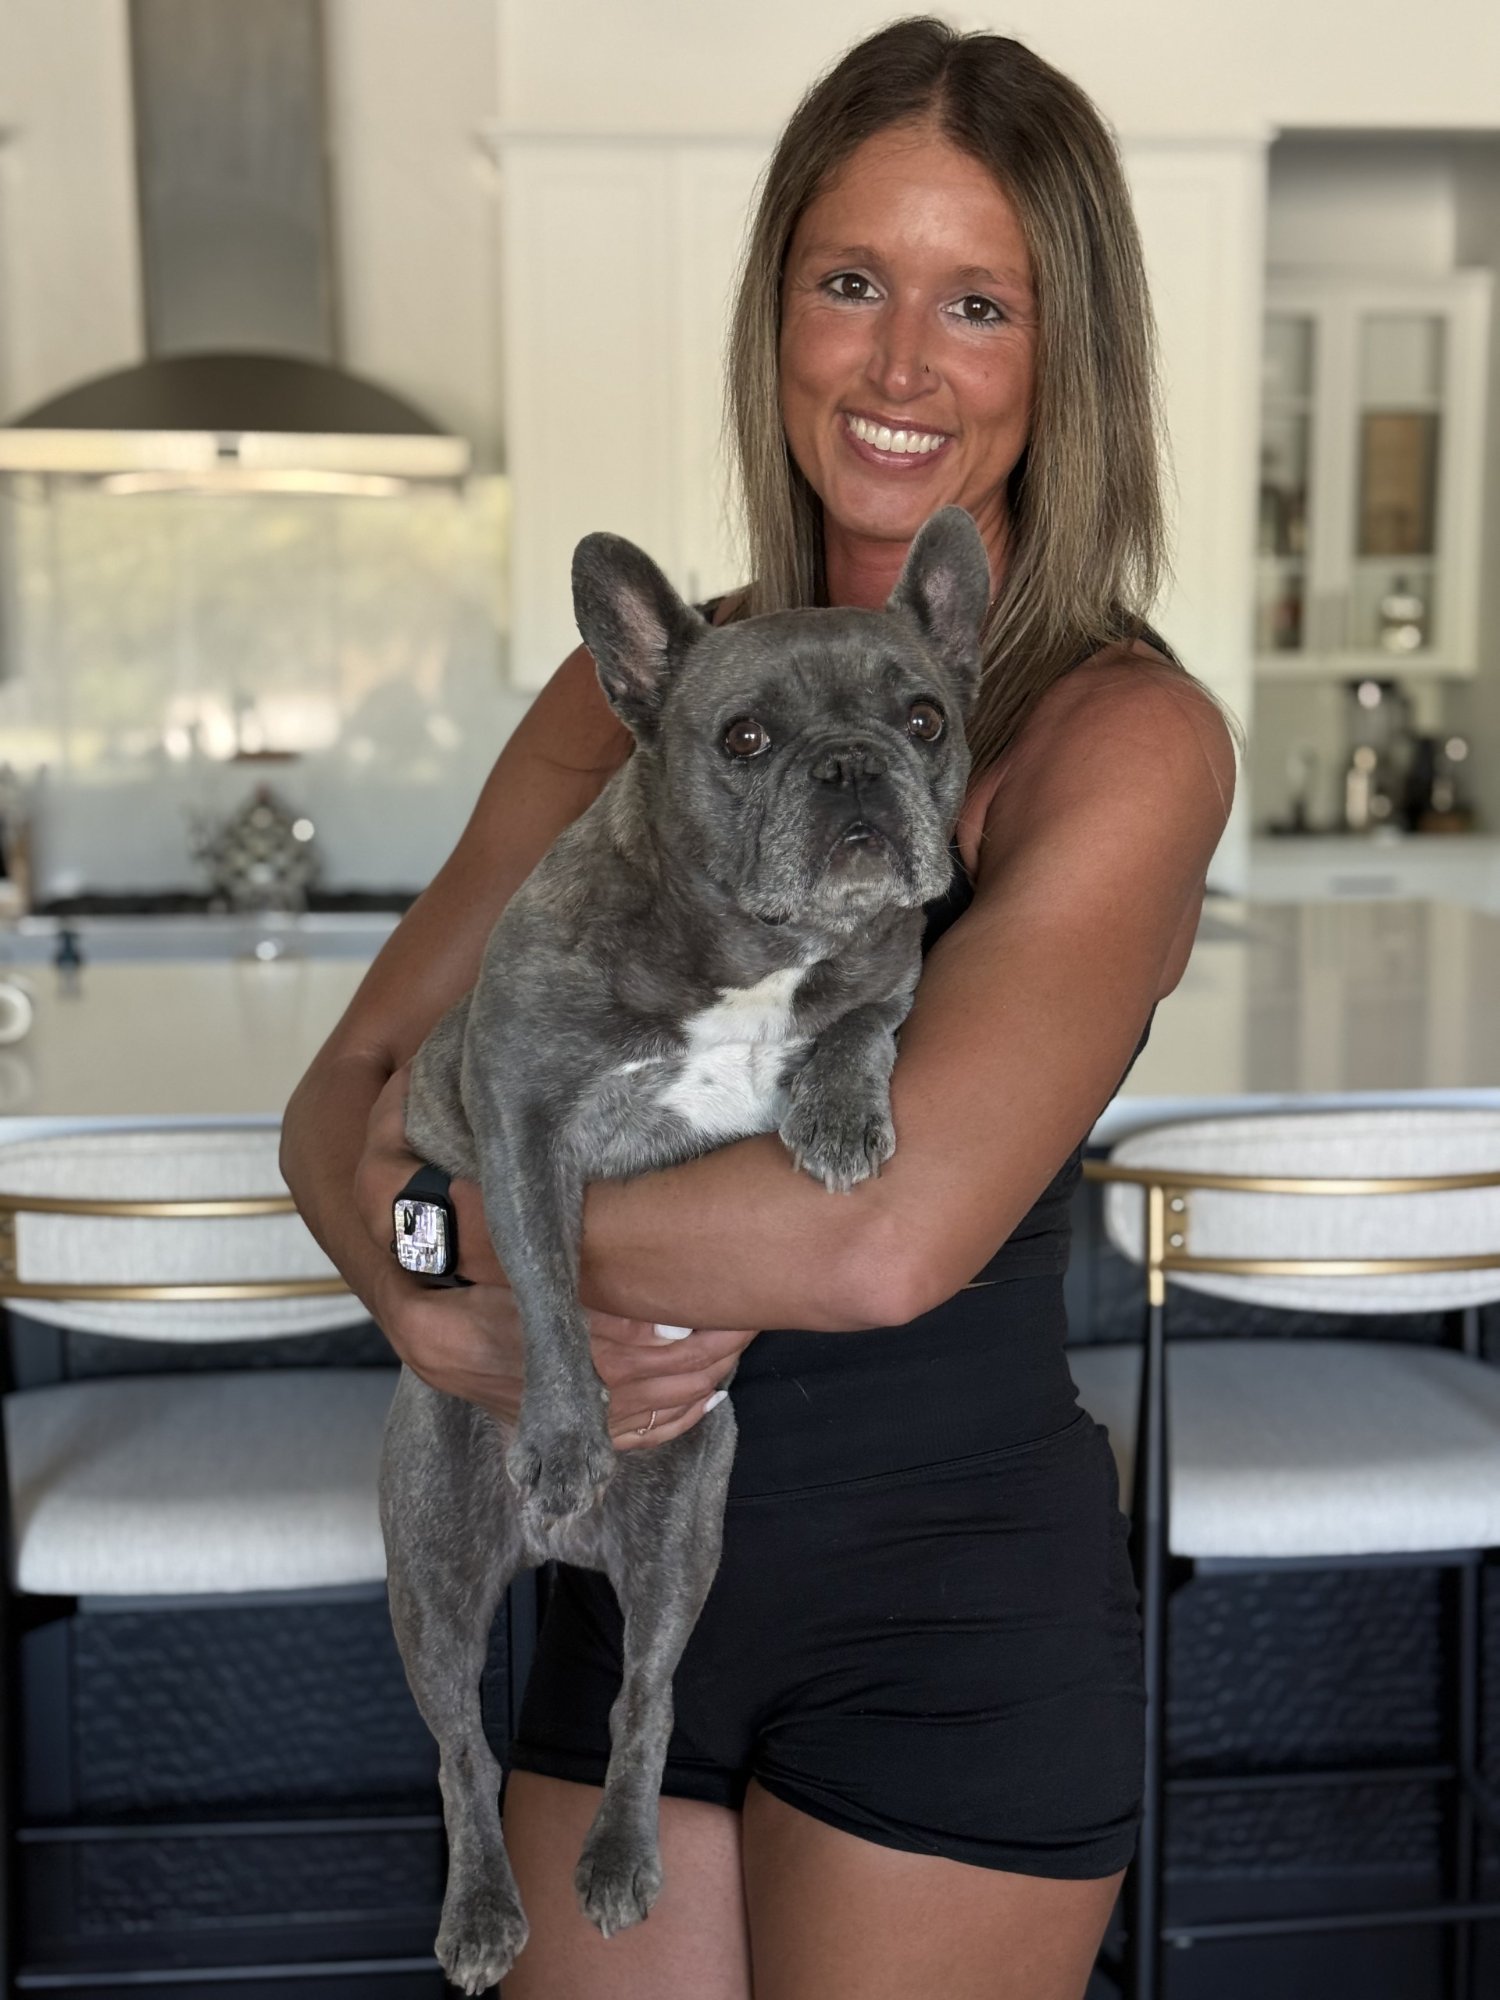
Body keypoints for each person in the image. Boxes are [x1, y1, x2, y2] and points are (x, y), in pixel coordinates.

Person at [281, 17, 1235, 1998]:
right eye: (852, 282)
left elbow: (877, 1236)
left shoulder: (1114, 735)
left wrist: (478, 1236)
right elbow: (352, 1087)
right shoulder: (629, 701)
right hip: (620, 1607)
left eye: (979, 303)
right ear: (776, 310)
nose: (902, 366)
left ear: (1068, 358)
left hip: (941, 1620)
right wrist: (414, 1269)